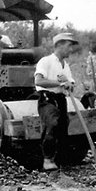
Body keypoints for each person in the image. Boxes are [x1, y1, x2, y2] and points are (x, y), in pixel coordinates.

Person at [34, 33, 78, 171]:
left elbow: (70, 83)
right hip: (47, 99)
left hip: (60, 99)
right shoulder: (45, 61)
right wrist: (59, 82)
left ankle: (60, 162)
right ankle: (47, 160)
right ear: (59, 45)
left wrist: (69, 85)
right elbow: (38, 81)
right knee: (52, 123)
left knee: (63, 128)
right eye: (69, 46)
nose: (71, 49)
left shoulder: (65, 65)